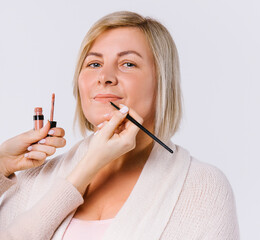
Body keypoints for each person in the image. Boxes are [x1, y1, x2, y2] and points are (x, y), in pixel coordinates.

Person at [0, 11, 240, 240]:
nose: (105, 77)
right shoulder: (32, 180)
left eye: (128, 64)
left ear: (162, 83)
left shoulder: (202, 187)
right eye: (94, 64)